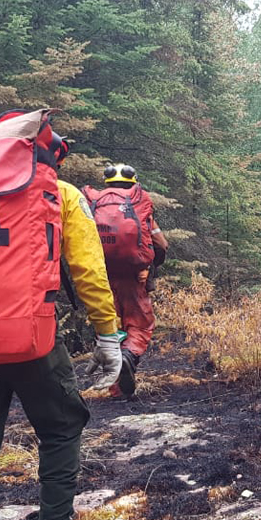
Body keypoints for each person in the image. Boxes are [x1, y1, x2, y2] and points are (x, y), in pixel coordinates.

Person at [0, 137, 123, 520]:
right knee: (60, 427)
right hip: (31, 337)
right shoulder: (60, 193)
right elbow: (88, 271)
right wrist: (107, 335)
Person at [90, 164, 168, 398]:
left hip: (100, 277)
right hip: (133, 278)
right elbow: (161, 245)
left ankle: (116, 389)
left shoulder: (93, 204)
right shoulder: (138, 204)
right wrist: (151, 266)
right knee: (140, 325)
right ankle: (128, 357)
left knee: (109, 326)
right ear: (133, 183)